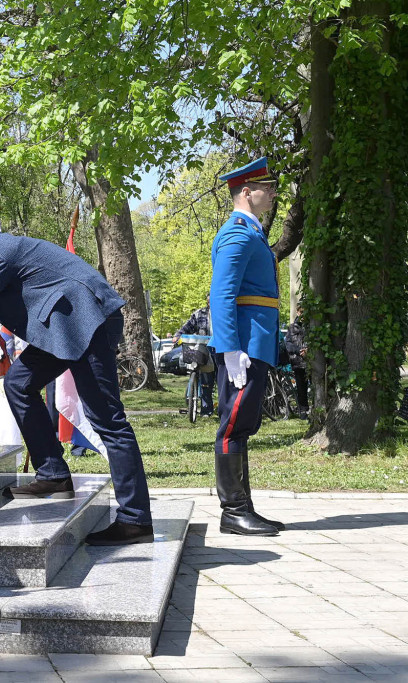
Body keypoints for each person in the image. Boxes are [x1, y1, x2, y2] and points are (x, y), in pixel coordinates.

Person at [0, 217, 154, 546]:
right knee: (18, 383)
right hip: (66, 324)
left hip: (86, 320)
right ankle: (53, 474)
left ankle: (136, 519)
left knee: (108, 420)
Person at [209, 156, 286, 537]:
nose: (272, 192)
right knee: (233, 425)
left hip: (255, 342)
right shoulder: (238, 233)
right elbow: (221, 294)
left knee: (243, 425)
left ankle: (244, 507)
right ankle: (233, 510)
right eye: (266, 187)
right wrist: (229, 347)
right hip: (244, 344)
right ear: (246, 192)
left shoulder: (251, 233)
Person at [172, 296, 216, 417]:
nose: (210, 301)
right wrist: (177, 336)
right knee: (206, 381)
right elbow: (187, 327)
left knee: (223, 381)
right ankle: (206, 410)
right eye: (209, 299)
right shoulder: (200, 314)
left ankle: (224, 409)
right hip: (205, 349)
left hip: (221, 350)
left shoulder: (224, 313)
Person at [284, 309, 309, 418]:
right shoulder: (292, 328)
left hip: (311, 360)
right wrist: (299, 350)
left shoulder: (311, 325)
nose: (302, 314)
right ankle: (303, 410)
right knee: (301, 387)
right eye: (300, 311)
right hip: (298, 362)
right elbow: (288, 345)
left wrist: (308, 351)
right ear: (298, 312)